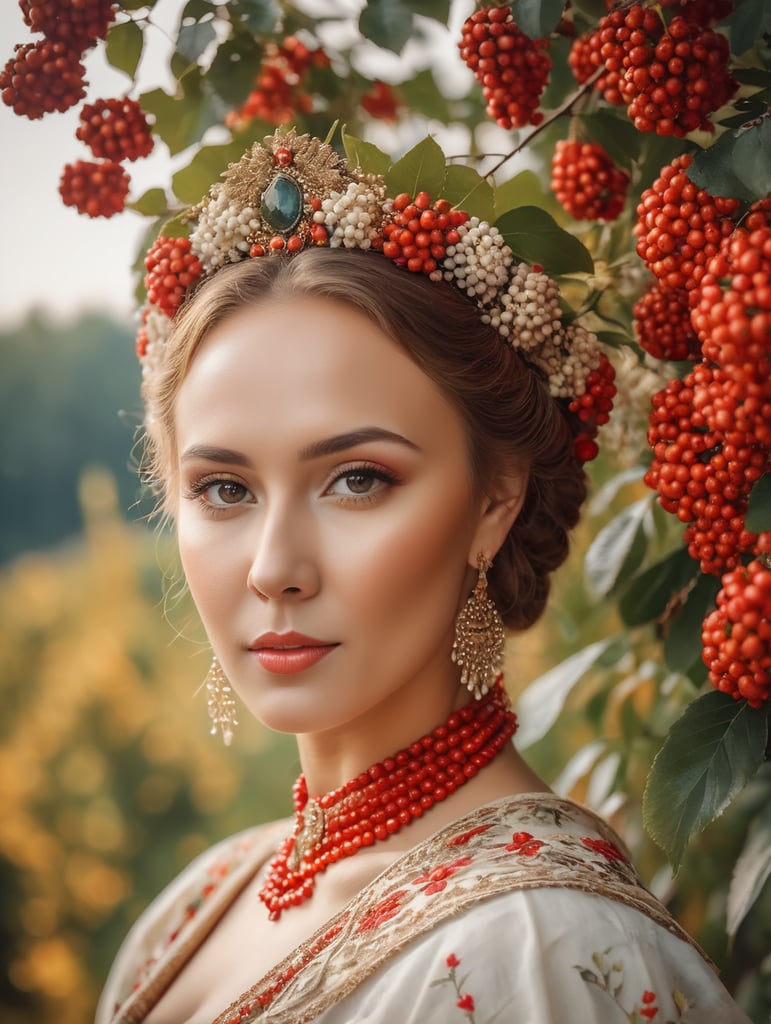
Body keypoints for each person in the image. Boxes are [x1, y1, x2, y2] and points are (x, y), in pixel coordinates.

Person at [97, 129, 750, 1024]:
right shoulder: (191, 909)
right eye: (223, 488)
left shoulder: (538, 953)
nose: (273, 569)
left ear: (495, 499)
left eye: (356, 479)